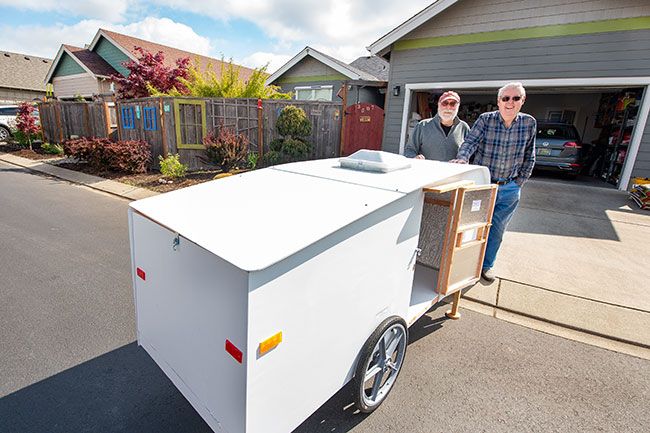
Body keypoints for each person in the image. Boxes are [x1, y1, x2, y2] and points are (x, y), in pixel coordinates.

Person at [451, 82, 536, 283]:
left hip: (509, 188)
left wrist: (519, 182)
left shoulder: (529, 123)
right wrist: (462, 159)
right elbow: (469, 142)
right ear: (498, 101)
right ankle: (464, 266)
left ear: (522, 101)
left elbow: (529, 154)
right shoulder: (485, 120)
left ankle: (486, 265)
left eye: (516, 98)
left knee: (497, 230)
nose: (510, 102)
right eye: (505, 98)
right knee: (471, 228)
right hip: (484, 187)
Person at [404, 91, 470, 161]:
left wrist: (462, 160)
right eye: (444, 103)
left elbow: (469, 152)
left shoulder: (464, 128)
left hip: (455, 171)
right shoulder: (422, 126)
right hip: (427, 171)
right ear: (439, 105)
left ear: (458, 107)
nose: (448, 107)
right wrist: (414, 158)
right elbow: (409, 149)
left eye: (452, 104)